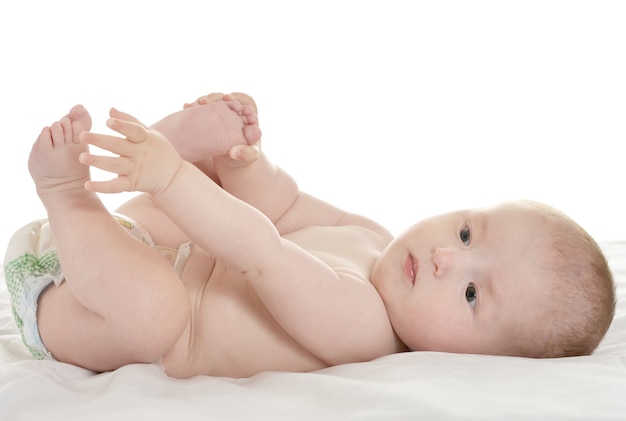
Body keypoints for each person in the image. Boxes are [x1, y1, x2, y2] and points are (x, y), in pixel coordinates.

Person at [4, 92, 615, 379]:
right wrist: (247, 163)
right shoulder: (373, 238)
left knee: (159, 313)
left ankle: (67, 196)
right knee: (201, 195)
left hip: (85, 311)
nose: (440, 260)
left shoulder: (365, 331)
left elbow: (264, 251)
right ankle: (156, 159)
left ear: (480, 363)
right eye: (464, 233)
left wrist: (172, 178)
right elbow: (284, 207)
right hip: (136, 244)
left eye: (473, 294)